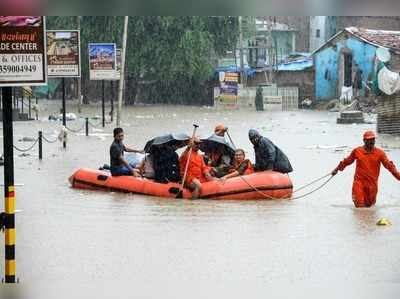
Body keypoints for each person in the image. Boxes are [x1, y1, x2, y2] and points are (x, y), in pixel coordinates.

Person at [331, 131, 400, 208]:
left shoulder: (380, 153)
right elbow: (347, 161)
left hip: (372, 185)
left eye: (373, 139)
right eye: (369, 139)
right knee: (360, 207)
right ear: (364, 140)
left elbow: (390, 166)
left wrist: (398, 177)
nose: (372, 141)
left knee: (369, 208)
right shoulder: (357, 151)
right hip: (359, 183)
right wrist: (336, 169)